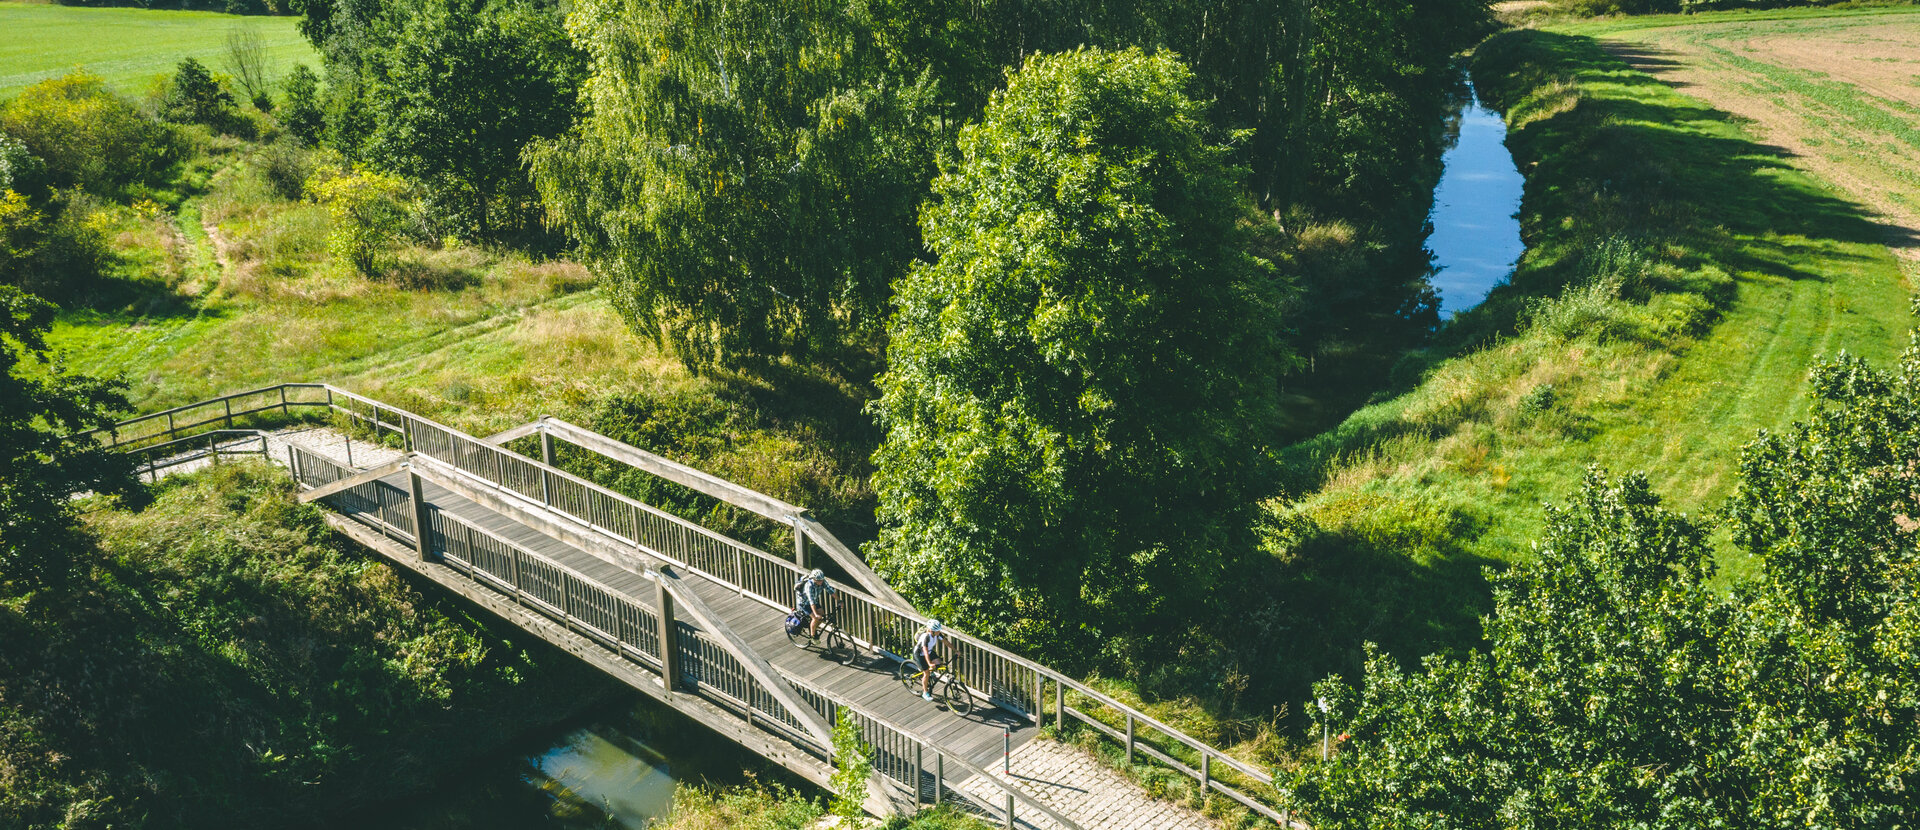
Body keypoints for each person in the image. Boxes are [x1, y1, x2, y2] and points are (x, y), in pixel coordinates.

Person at [913, 620, 949, 702]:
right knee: (927, 673)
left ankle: (929, 672)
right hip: (919, 654)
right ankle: (925, 693)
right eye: (937, 631)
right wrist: (929, 663)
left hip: (929, 652)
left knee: (938, 663)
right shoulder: (926, 637)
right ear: (932, 631)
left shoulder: (937, 634)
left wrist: (956, 650)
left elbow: (946, 642)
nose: (939, 632)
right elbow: (925, 651)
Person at [793, 568, 833, 639]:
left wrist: (840, 601)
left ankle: (813, 627)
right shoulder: (809, 586)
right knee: (815, 618)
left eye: (822, 580)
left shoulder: (822, 581)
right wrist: (816, 614)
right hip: (804, 603)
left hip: (814, 601)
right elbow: (811, 601)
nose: (821, 582)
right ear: (814, 579)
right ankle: (812, 637)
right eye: (819, 580)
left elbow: (830, 590)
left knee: (822, 616)